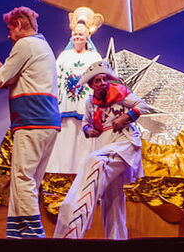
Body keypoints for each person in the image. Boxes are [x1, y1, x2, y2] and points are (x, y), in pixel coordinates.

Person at [0, 6, 62, 239]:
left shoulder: (25, 45)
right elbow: (14, 77)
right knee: (28, 182)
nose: (7, 35)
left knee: (23, 179)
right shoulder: (41, 45)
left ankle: (35, 233)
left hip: (32, 120)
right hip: (47, 121)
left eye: (9, 29)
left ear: (18, 25)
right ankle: (17, 233)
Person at [54, 60, 149, 240]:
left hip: (124, 143)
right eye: (97, 81)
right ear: (91, 85)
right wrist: (88, 130)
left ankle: (74, 222)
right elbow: (86, 123)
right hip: (104, 143)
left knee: (95, 161)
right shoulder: (91, 102)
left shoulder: (121, 94)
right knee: (111, 199)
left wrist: (125, 117)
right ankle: (116, 239)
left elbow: (142, 105)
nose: (102, 83)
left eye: (104, 79)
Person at [46, 7, 104, 174]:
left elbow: (100, 81)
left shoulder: (94, 57)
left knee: (83, 139)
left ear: (87, 37)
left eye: (81, 35)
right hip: (65, 105)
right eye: (75, 35)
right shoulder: (64, 56)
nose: (78, 37)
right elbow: (55, 78)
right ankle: (59, 171)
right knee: (65, 137)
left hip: (86, 105)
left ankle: (83, 172)